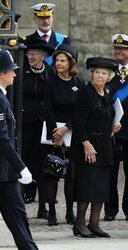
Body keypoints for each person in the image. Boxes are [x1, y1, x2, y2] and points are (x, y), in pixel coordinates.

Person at [70, 56, 121, 238]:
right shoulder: (86, 93)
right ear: (92, 74)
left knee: (100, 188)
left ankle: (94, 223)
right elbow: (77, 122)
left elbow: (106, 115)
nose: (100, 76)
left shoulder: (106, 92)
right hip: (88, 148)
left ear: (109, 77)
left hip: (104, 147)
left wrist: (114, 125)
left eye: (104, 73)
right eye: (97, 72)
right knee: (86, 187)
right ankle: (79, 223)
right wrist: (86, 144)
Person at [0, 49, 38, 250]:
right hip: (4, 171)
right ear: (1, 74)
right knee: (18, 217)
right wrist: (21, 167)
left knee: (18, 217)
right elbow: (3, 138)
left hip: (6, 175)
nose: (14, 74)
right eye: (11, 70)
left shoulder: (2, 95)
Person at [104, 34, 128, 222]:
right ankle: (110, 208)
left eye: (123, 49)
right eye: (116, 48)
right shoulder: (108, 72)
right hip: (113, 129)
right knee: (110, 171)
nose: (119, 51)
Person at [44, 44, 82, 225]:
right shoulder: (50, 81)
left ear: (70, 62)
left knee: (71, 175)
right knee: (52, 173)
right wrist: (56, 134)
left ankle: (69, 212)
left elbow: (81, 111)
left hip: (72, 132)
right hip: (53, 134)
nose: (58, 63)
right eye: (56, 60)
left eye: (62, 60)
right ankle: (51, 211)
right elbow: (47, 108)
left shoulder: (79, 83)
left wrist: (66, 128)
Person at [21, 38, 55, 220]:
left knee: (43, 167)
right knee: (23, 164)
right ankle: (19, 208)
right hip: (25, 124)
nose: (30, 57)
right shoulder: (21, 72)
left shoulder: (50, 73)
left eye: (34, 54)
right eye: (29, 53)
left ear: (43, 55)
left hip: (43, 126)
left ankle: (43, 207)